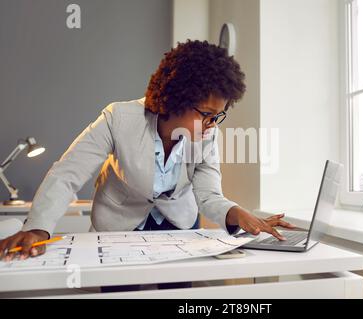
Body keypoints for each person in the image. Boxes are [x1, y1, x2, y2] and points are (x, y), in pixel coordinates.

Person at [0, 40, 295, 267]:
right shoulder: (119, 118)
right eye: (206, 114)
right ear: (177, 97)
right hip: (118, 227)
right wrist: (38, 228)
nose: (211, 124)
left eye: (218, 116)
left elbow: (208, 195)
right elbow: (68, 174)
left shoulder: (206, 134)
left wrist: (237, 214)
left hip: (180, 227)